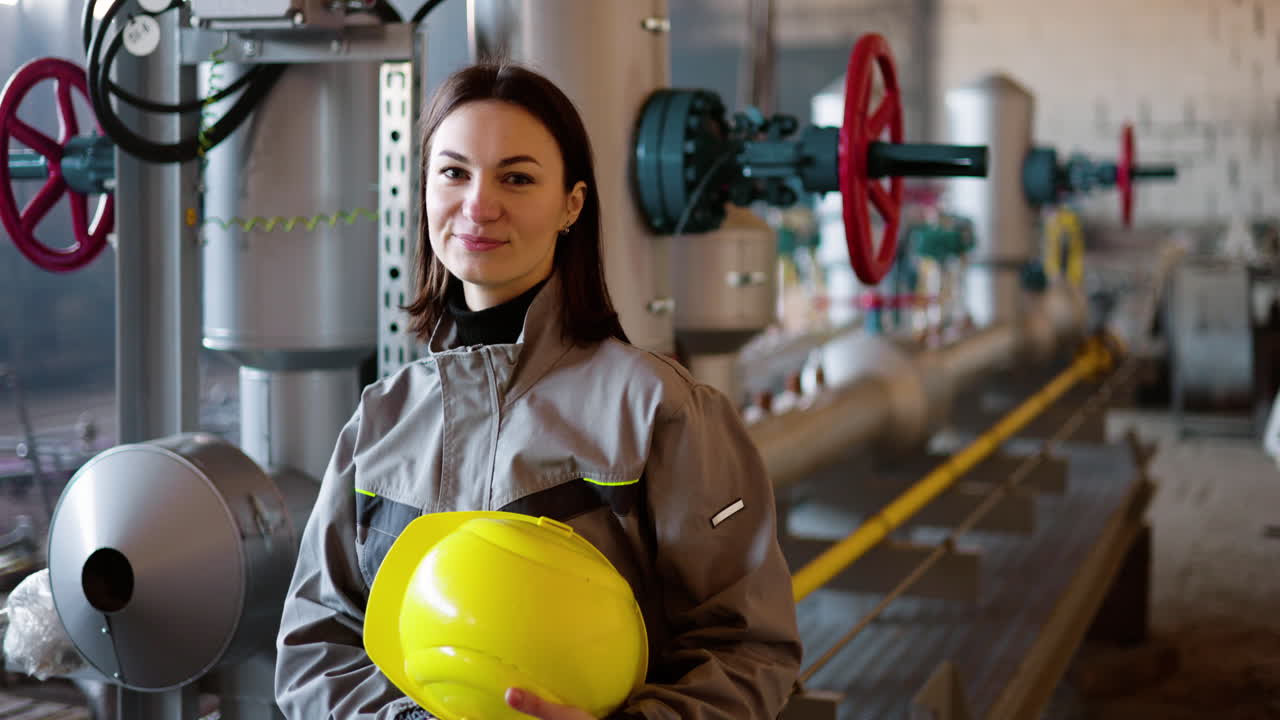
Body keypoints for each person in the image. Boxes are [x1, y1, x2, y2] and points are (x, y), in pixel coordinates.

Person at [274, 62, 802, 720]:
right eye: (454, 172)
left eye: (516, 178)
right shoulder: (384, 418)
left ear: (571, 205)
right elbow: (314, 647)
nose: (478, 205)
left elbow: (751, 652)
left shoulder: (657, 411)